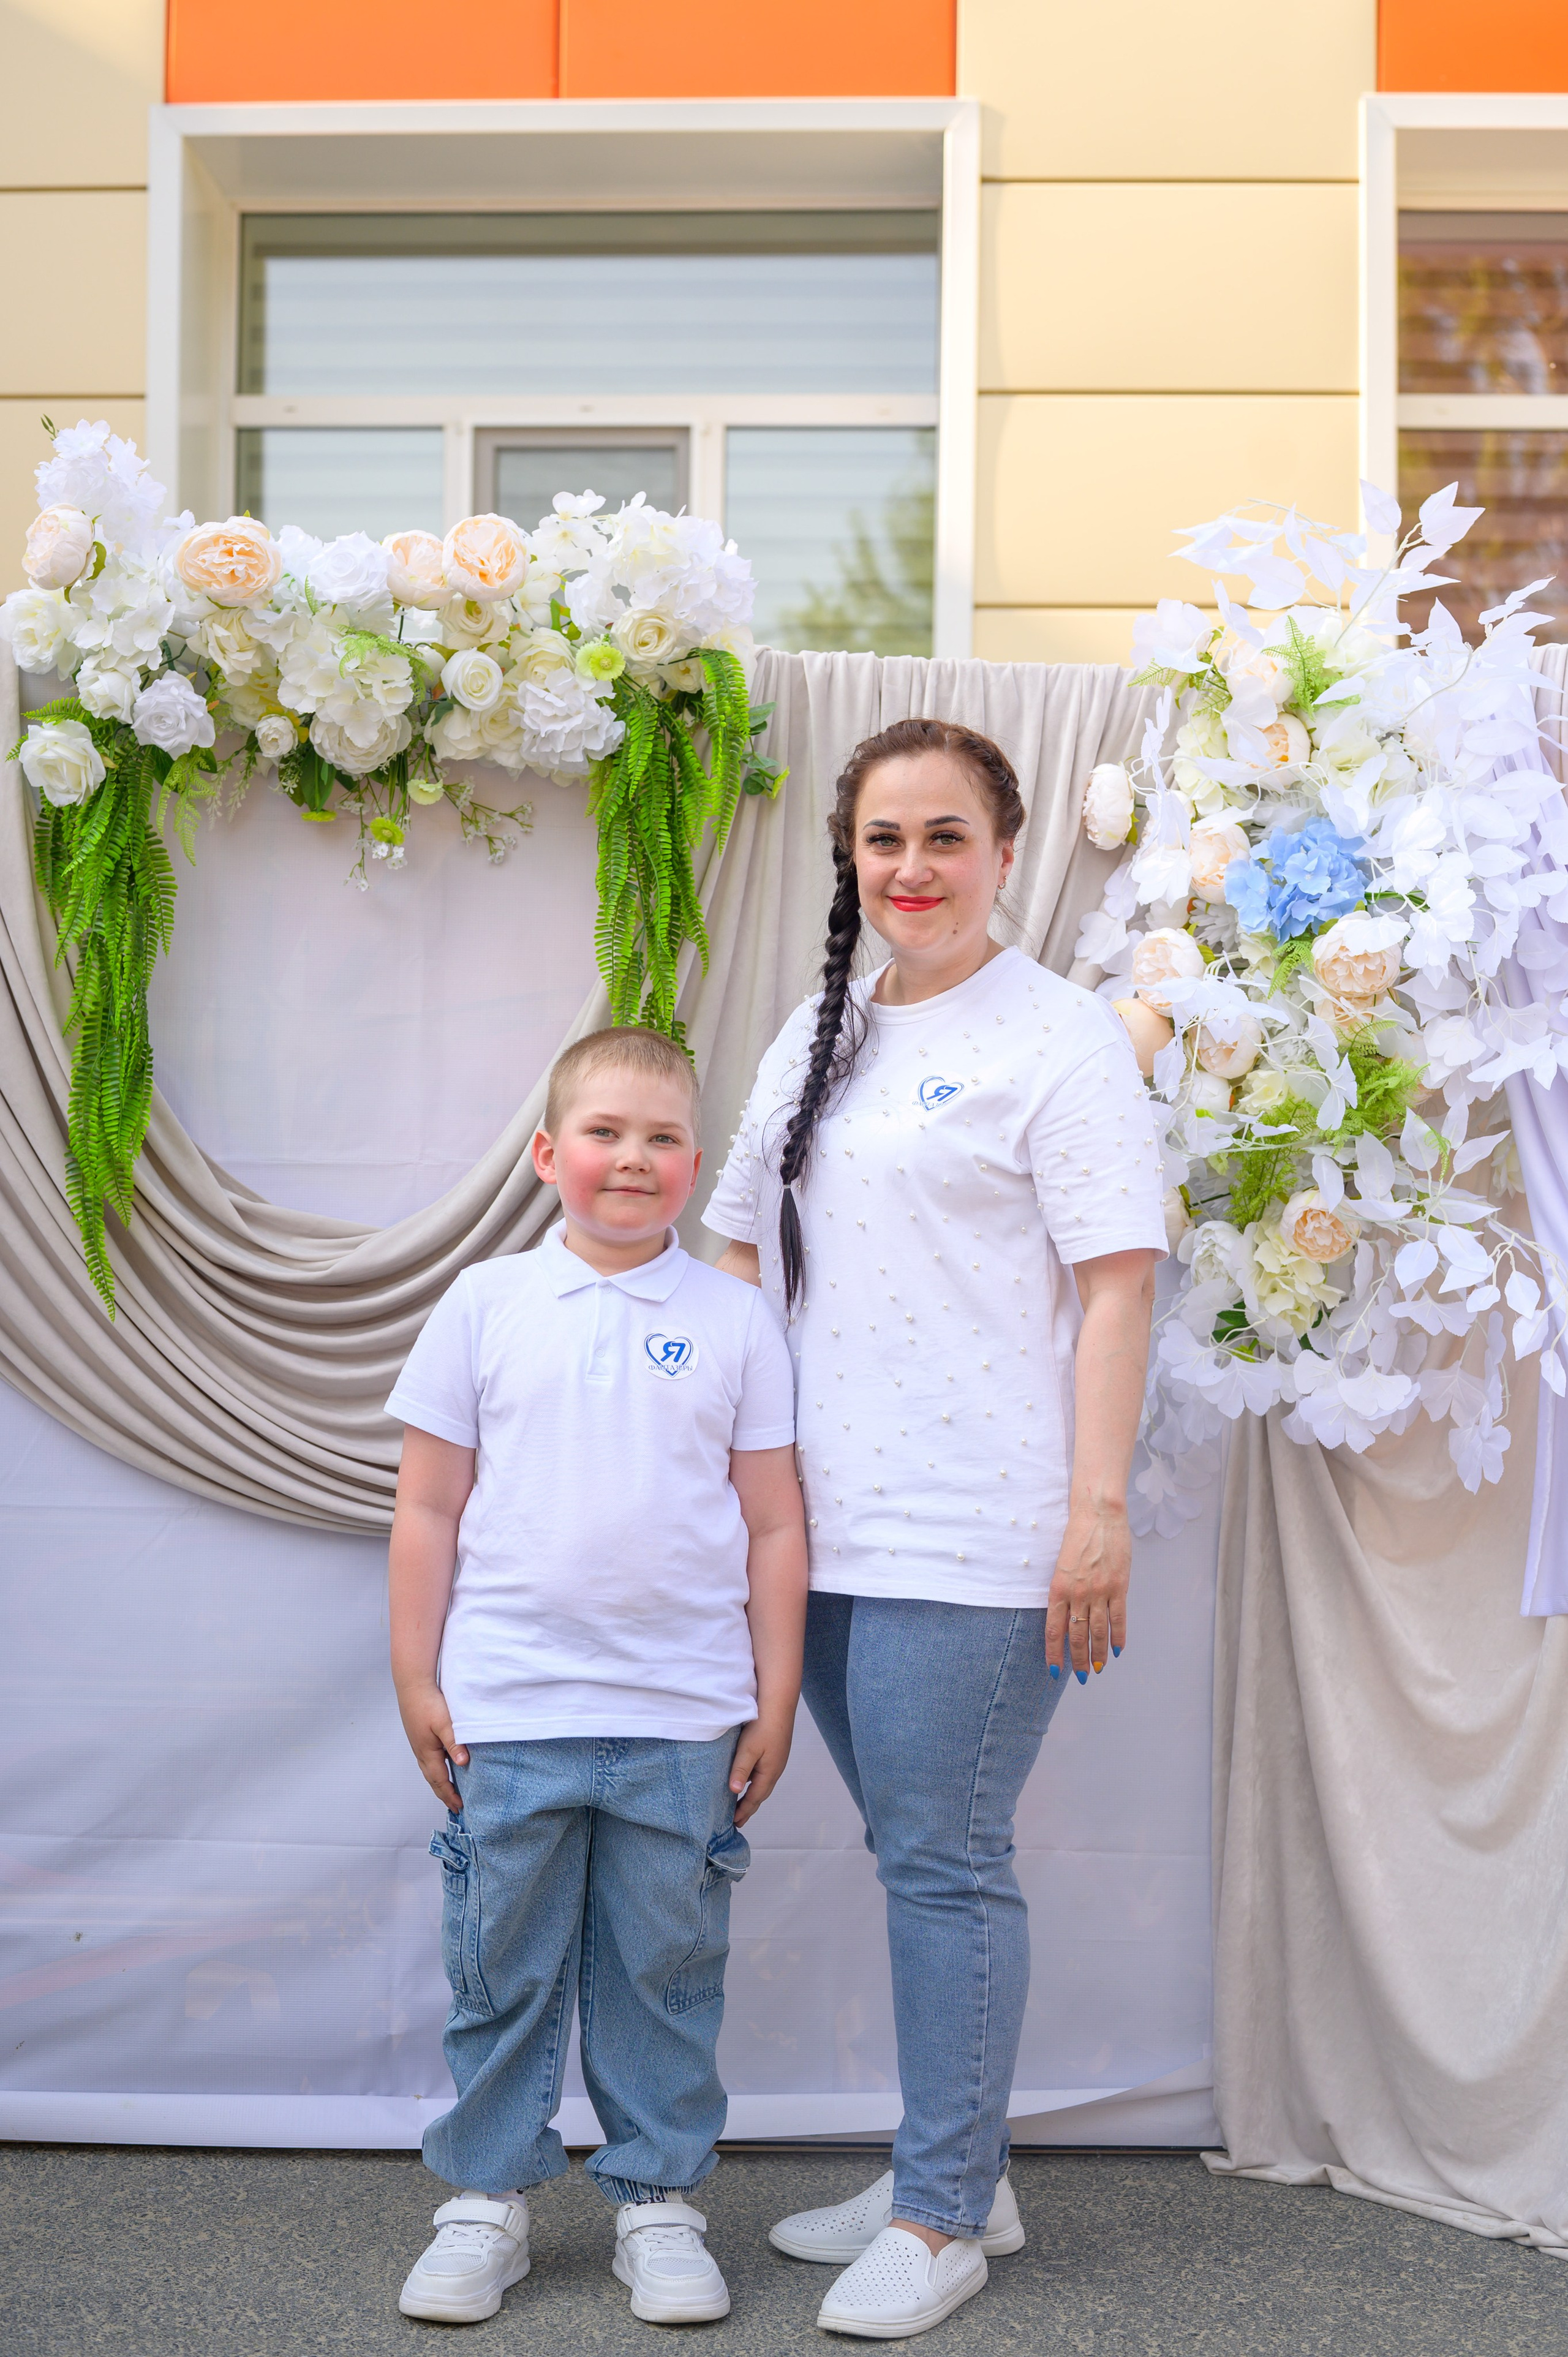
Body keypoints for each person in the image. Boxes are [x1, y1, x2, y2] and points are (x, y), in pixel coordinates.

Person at [704, 717, 1165, 2340]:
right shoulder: (818, 1028)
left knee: (947, 1868)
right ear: (850, 855)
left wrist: (1093, 1517)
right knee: (921, 1854)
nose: (913, 869)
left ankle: (944, 2214)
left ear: (1006, 851)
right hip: (818, 1529)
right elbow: (744, 1254)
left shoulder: (1060, 1040)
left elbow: (1119, 1283)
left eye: (945, 837)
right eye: (885, 838)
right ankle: (966, 2164)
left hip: (981, 1531)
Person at [386, 1025, 808, 2328]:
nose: (633, 1158)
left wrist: (774, 1694)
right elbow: (428, 1508)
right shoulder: (484, 1305)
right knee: (499, 1965)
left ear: (695, 1163)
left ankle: (658, 2202)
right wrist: (417, 1675)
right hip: (510, 1707)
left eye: (663, 1136)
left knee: (662, 1972)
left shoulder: (735, 1319)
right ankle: (487, 2202)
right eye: (606, 1132)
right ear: (546, 1153)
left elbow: (775, 1522)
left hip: (681, 1718)